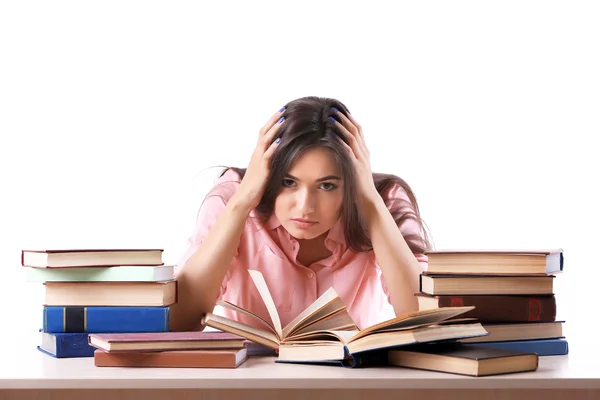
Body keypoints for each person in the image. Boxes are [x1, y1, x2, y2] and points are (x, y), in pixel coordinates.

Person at [170, 96, 431, 332]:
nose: (305, 207)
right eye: (288, 182)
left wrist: (370, 203)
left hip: (349, 380)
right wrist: (241, 204)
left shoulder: (383, 200)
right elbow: (180, 322)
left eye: (327, 185)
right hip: (248, 380)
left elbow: (426, 322)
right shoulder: (232, 196)